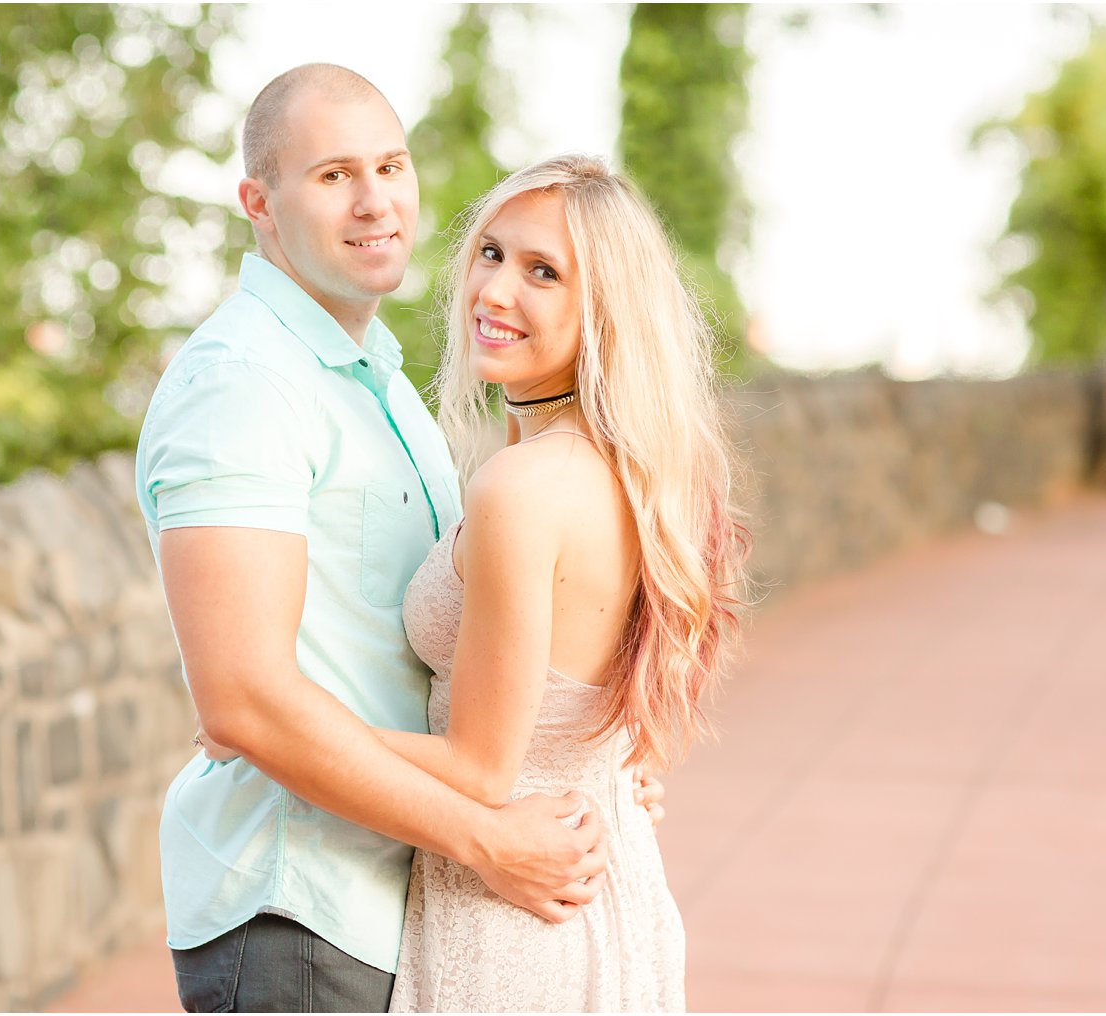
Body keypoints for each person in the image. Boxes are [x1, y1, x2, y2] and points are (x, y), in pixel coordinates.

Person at [135, 66, 663, 1014]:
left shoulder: (378, 384)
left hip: (414, 896)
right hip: (303, 908)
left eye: (391, 164)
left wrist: (582, 770)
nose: (376, 200)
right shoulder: (244, 387)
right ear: (259, 202)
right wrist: (489, 834)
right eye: (334, 175)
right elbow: (244, 702)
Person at [362, 155, 750, 1011]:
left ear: (604, 310)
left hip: (516, 924)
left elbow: (479, 770)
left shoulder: (523, 488)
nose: (495, 292)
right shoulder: (634, 474)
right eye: (492, 254)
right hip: (615, 900)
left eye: (544, 273)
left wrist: (285, 723)